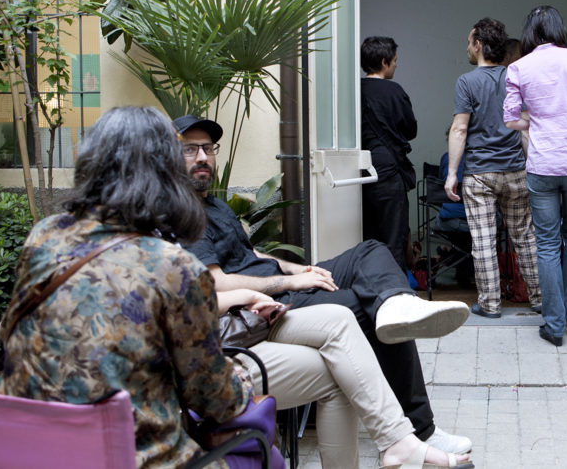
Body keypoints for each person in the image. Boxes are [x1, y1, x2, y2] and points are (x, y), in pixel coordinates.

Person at [174, 115, 473, 456]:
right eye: (191, 149)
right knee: (362, 308)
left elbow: (249, 253)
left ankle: (397, 302)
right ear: (168, 155)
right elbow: (216, 282)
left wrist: (299, 267)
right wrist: (289, 280)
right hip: (262, 305)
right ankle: (421, 430)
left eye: (208, 149)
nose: (202, 157)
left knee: (370, 252)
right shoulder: (183, 214)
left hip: (281, 281)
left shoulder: (215, 205)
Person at [0, 106, 258, 468]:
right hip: (130, 456)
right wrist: (243, 380)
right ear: (166, 172)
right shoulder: (174, 266)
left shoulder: (44, 235)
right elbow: (212, 395)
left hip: (37, 450)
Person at [217, 290, 471, 469]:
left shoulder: (206, 217)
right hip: (221, 350)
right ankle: (399, 441)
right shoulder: (181, 251)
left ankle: (398, 439)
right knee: (343, 367)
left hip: (246, 321)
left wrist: (293, 273)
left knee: (342, 318)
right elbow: (201, 295)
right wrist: (249, 294)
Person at [503, 5, 567, 346]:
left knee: (546, 242)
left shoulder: (518, 67)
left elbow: (509, 118)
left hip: (542, 164)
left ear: (530, 33)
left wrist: (533, 121)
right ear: (560, 30)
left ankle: (553, 323)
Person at [445, 17, 541, 317]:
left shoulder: (466, 82)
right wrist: (533, 167)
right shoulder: (517, 77)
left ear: (479, 45)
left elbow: (459, 129)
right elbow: (526, 129)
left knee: (484, 240)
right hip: (515, 171)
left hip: (480, 174)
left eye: (469, 41)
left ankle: (490, 303)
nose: (468, 47)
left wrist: (451, 173)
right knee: (525, 237)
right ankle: (540, 299)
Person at [360, 36, 418, 271]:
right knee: (394, 236)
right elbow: (411, 130)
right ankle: (394, 295)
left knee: (367, 234)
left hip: (359, 171)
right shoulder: (394, 91)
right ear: (384, 62)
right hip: (389, 171)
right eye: (394, 60)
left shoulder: (353, 92)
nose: (396, 65)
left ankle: (370, 288)